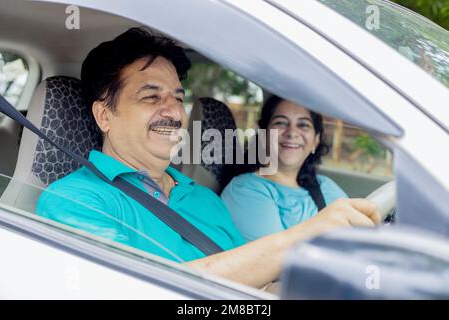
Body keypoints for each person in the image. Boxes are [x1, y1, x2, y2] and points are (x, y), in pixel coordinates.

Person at [36, 27, 380, 289]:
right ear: (104, 116)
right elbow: (138, 291)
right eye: (151, 97)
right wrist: (300, 239)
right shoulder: (75, 200)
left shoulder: (202, 197)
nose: (173, 111)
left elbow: (251, 282)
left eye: (177, 97)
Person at [221, 96, 347, 241]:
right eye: (281, 123)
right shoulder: (245, 189)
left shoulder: (325, 186)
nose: (292, 133)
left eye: (303, 125)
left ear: (315, 141)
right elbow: (273, 257)